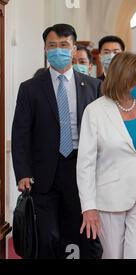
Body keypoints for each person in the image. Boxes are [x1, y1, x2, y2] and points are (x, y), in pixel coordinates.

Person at [11, 23, 101, 259]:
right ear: (45, 49)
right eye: (52, 45)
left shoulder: (93, 86)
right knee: (47, 236)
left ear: (73, 49)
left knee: (79, 234)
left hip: (80, 169)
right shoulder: (30, 88)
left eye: (64, 45)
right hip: (43, 174)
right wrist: (22, 172)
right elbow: (21, 133)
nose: (58, 50)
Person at [76, 52, 136, 259]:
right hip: (109, 198)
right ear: (126, 79)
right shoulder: (95, 111)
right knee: (113, 255)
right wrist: (88, 207)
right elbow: (85, 164)